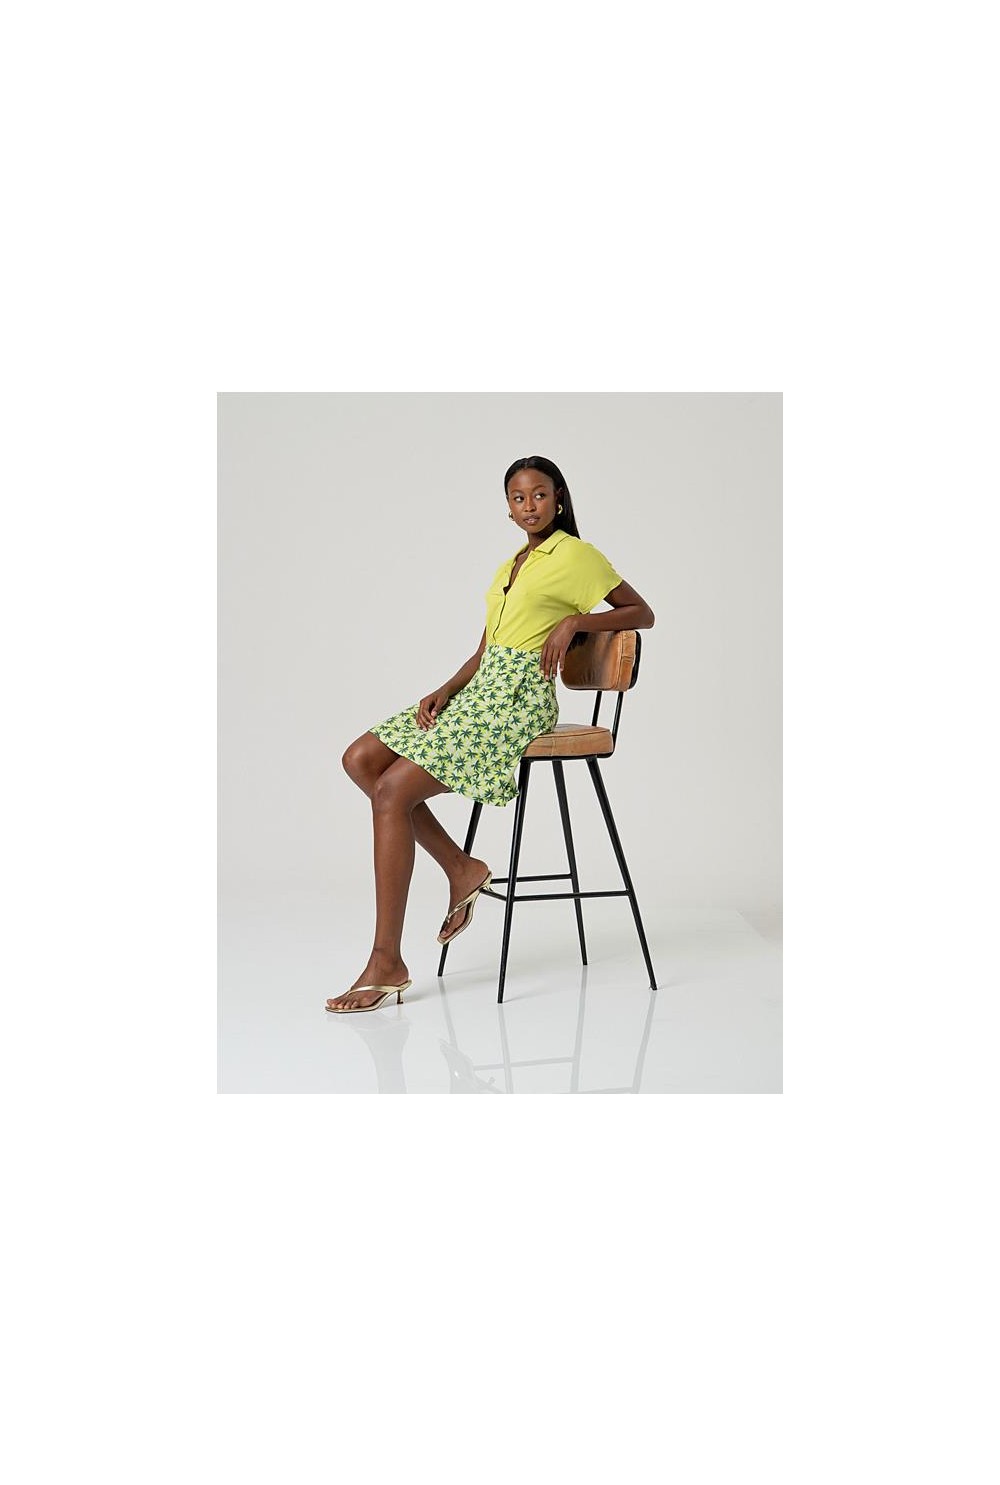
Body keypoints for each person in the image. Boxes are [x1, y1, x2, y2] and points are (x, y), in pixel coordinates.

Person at [326, 456, 655, 1012]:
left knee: (391, 791)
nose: (530, 506)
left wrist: (576, 621)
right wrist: (446, 688)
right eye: (518, 498)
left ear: (559, 498)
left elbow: (641, 612)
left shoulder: (577, 556)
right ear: (508, 508)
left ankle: (387, 961)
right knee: (361, 759)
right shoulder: (511, 565)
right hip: (480, 691)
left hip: (518, 700)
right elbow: (485, 649)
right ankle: (462, 868)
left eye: (540, 495)